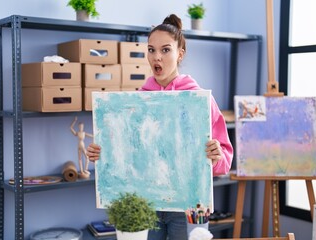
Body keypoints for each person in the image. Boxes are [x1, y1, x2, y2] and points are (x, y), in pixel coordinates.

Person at [86, 14, 233, 240]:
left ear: (179, 54)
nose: (157, 57)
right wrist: (103, 154)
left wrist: (216, 155)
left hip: (190, 206)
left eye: (165, 50)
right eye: (151, 50)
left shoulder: (199, 100)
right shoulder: (138, 101)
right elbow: (128, 154)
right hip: (147, 203)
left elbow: (224, 159)